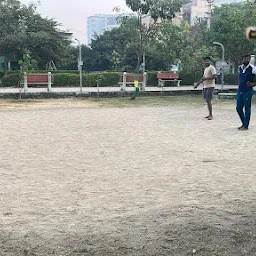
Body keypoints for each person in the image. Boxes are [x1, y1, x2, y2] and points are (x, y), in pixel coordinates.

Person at [236, 54, 256, 131]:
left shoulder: (253, 68)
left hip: (248, 91)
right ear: (242, 59)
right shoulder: (240, 68)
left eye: (248, 59)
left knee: (247, 108)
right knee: (238, 108)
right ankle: (244, 123)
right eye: (245, 59)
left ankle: (246, 126)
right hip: (240, 90)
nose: (246, 60)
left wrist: (254, 84)